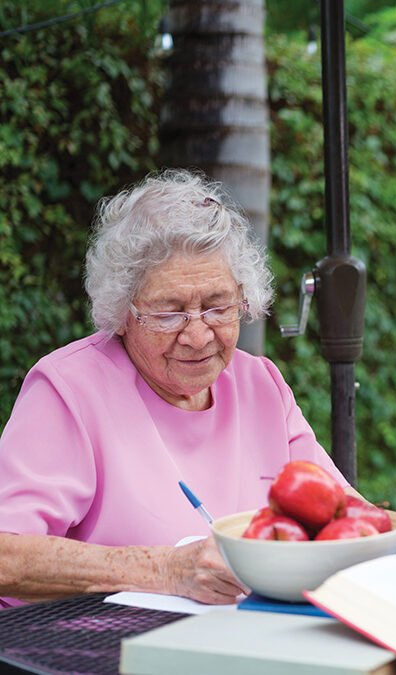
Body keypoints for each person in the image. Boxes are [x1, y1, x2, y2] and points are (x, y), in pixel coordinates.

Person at [0, 170, 356, 608]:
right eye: (169, 313)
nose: (199, 335)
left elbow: (347, 516)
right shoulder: (68, 389)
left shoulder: (260, 385)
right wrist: (164, 570)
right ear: (122, 311)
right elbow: (7, 556)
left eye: (218, 306)